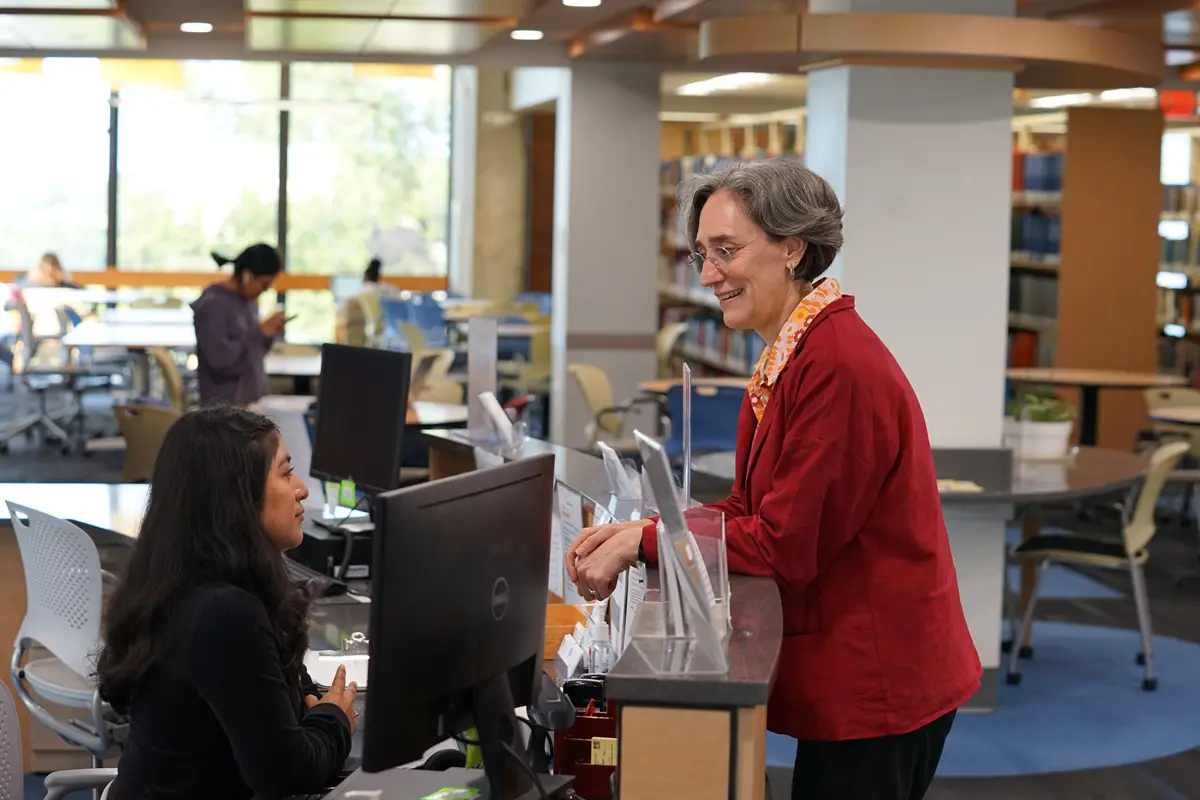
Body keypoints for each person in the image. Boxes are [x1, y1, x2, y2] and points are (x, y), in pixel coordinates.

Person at [565, 159, 981, 800]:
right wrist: (642, 530)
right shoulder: (791, 352)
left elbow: (785, 543)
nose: (707, 276)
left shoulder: (836, 364)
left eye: (726, 251)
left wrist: (644, 544)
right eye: (702, 253)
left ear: (792, 248)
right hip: (856, 668)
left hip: (881, 676)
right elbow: (745, 505)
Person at [96, 406, 357, 799]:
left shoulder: (185, 581)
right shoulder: (224, 614)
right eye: (286, 473)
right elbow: (286, 773)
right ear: (237, 499)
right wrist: (335, 718)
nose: (302, 489)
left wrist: (313, 714)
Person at [192, 244, 286, 406]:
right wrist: (261, 333)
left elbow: (253, 353)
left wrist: (269, 334)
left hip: (251, 404)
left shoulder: (247, 302)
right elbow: (221, 361)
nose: (265, 290)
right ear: (247, 275)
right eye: (264, 285)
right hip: (224, 412)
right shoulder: (212, 305)